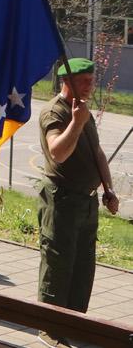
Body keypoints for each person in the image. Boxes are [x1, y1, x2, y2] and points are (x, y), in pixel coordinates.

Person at [38, 57, 118, 315]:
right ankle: (50, 327)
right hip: (62, 200)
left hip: (87, 201)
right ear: (66, 81)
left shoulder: (83, 111)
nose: (89, 86)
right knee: (58, 265)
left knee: (84, 266)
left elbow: (97, 153)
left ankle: (75, 323)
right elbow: (57, 152)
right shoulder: (55, 111)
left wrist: (109, 190)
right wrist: (76, 122)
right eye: (83, 81)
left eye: (91, 81)